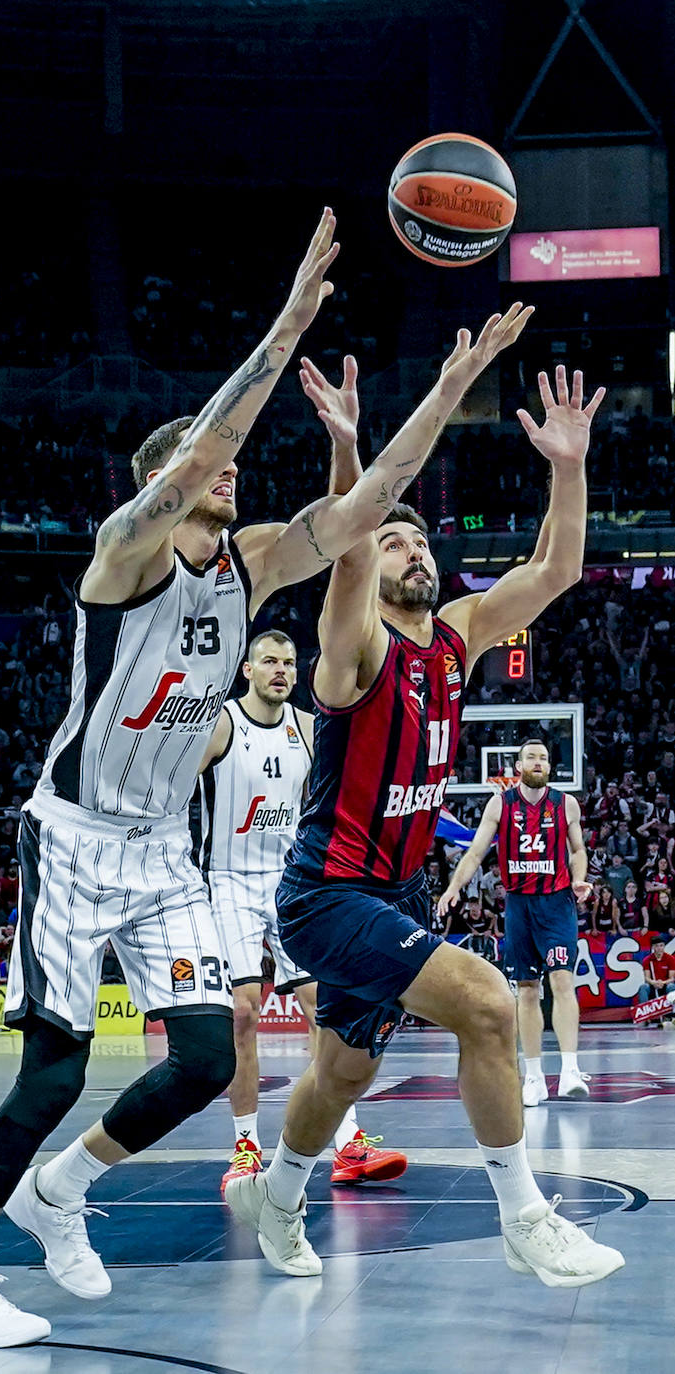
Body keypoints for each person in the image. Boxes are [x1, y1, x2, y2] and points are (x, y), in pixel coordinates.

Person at [0, 211, 534, 1347]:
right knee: (53, 1067)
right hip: (74, 831)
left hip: (163, 850)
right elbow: (204, 447)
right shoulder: (123, 553)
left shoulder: (250, 568)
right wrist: (292, 318)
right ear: (162, 486)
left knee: (209, 1058)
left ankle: (64, 1191)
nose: (231, 477)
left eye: (233, 471)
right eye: (210, 471)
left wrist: (451, 388)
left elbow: (364, 511)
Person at [226, 360, 624, 1288]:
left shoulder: (457, 634)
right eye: (394, 541)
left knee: (341, 1079)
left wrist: (567, 463)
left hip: (399, 892)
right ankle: (526, 1217)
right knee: (488, 1006)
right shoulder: (352, 647)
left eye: (417, 540)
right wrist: (348, 450)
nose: (409, 551)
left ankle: (276, 1202)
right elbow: (351, 542)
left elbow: (557, 568)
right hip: (328, 894)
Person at [196, 628, 406, 1193]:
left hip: (291, 882)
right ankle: (245, 1148)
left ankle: (348, 1142)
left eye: (289, 662)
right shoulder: (220, 726)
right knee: (243, 1014)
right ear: (246, 669)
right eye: (269, 661)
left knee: (325, 1008)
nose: (281, 671)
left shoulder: (308, 729)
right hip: (228, 882)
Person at [438, 740, 592, 1106]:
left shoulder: (565, 803)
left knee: (562, 979)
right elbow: (475, 851)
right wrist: (453, 888)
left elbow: (578, 850)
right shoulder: (500, 804)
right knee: (526, 988)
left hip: (557, 903)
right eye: (531, 757)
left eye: (543, 758)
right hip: (519, 905)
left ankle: (570, 1069)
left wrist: (579, 878)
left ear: (550, 767)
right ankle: (534, 1076)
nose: (538, 762)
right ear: (518, 765)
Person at [638, 934, 675, 1026]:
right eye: (657, 946)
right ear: (653, 947)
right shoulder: (647, 960)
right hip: (653, 986)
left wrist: (662, 982)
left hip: (665, 985)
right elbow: (647, 978)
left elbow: (672, 978)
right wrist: (653, 982)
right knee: (643, 987)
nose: (659, 948)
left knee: (672, 986)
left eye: (661, 945)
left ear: (664, 946)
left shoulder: (671, 959)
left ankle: (669, 1015)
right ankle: (645, 1016)